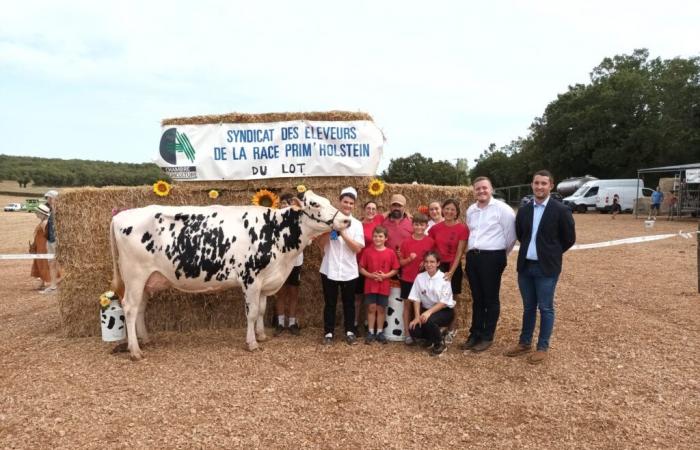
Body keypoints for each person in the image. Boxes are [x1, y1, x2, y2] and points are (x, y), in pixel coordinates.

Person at [505, 170, 576, 364]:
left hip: (547, 268)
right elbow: (521, 234)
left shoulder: (561, 210)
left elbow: (569, 239)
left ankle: (542, 347)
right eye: (536, 183)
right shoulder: (525, 210)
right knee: (528, 307)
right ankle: (524, 342)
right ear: (532, 185)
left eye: (544, 183)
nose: (539, 187)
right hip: (526, 266)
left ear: (551, 186)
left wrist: (551, 253)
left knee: (545, 308)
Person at [463, 177, 516, 353]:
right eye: (477, 189)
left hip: (492, 257)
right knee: (477, 298)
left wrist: (500, 254)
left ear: (491, 189)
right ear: (474, 191)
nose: (481, 191)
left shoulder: (503, 210)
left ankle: (487, 336)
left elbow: (510, 236)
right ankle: (475, 333)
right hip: (473, 257)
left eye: (484, 188)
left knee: (491, 298)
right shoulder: (471, 210)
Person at [318, 187, 365, 345]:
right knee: (330, 303)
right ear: (340, 202)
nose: (348, 205)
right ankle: (329, 333)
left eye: (351, 203)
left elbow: (357, 248)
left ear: (354, 205)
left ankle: (350, 331)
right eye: (345, 202)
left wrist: (343, 232)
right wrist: (330, 230)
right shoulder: (328, 222)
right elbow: (320, 245)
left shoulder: (357, 224)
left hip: (348, 271)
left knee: (349, 303)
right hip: (329, 269)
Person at [427, 198, 468, 341]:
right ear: (443, 210)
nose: (449, 212)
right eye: (447, 209)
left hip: (453, 266)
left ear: (457, 212)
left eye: (453, 209)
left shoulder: (462, 228)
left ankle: (452, 329)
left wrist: (451, 271)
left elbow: (460, 252)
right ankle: (438, 327)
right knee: (436, 298)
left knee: (451, 299)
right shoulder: (434, 229)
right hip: (438, 266)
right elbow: (430, 249)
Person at [407, 251, 455, 356]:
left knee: (429, 320)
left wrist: (428, 313)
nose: (429, 264)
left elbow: (443, 302)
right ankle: (431, 339)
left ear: (438, 263)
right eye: (426, 262)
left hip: (444, 311)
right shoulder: (420, 277)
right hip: (426, 311)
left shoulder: (444, 278)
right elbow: (416, 298)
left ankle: (440, 344)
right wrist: (416, 317)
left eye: (432, 262)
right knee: (413, 328)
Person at [359, 226, 400, 344]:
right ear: (372, 237)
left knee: (381, 309)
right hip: (370, 284)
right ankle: (371, 332)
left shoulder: (390, 253)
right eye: (375, 236)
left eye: (380, 236)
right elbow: (361, 268)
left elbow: (395, 269)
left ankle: (380, 332)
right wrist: (370, 275)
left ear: (386, 238)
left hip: (384, 285)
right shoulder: (367, 251)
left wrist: (385, 276)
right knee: (371, 308)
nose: (377, 238)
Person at [398, 213, 435, 345]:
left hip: (424, 280)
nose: (419, 227)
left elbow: (433, 260)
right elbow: (400, 263)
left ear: (426, 226)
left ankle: (422, 333)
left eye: (422, 224)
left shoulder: (430, 241)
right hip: (407, 278)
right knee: (407, 305)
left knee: (423, 305)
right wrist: (409, 259)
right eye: (416, 224)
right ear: (412, 225)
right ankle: (407, 334)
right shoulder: (406, 242)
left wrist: (425, 263)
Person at [274, 193, 304, 337]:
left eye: (289, 203)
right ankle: (280, 323)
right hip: (280, 263)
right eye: (283, 203)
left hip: (296, 262)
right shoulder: (275, 221)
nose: (285, 206)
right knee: (280, 292)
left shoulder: (300, 220)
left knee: (293, 293)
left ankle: (292, 323)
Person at [354, 200, 385, 335]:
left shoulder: (379, 219)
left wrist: (407, 213)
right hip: (360, 264)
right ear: (363, 209)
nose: (371, 211)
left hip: (375, 266)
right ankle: (354, 323)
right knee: (358, 297)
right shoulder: (358, 225)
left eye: (373, 209)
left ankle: (368, 323)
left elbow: (391, 211)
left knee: (370, 297)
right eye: (368, 208)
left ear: (377, 211)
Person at [30, 204, 54, 289]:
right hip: (40, 246)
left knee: (44, 264)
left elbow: (47, 235)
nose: (36, 213)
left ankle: (50, 283)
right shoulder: (43, 222)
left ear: (42, 213)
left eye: (37, 212)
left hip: (44, 247)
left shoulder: (45, 222)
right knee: (40, 263)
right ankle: (43, 283)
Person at [41, 190, 61, 294]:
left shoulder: (60, 209)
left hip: (56, 240)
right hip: (50, 239)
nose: (48, 200)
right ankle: (53, 286)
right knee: (51, 263)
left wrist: (54, 204)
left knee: (58, 263)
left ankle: (59, 286)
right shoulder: (49, 209)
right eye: (48, 198)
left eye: (50, 198)